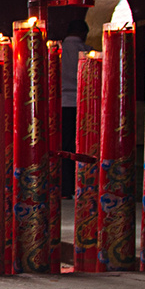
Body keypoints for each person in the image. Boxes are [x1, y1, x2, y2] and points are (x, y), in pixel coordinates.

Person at [58, 18, 89, 195]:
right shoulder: (86, 52)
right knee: (79, 147)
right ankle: (81, 186)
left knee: (62, 146)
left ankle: (64, 187)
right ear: (83, 34)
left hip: (60, 104)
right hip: (81, 104)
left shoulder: (57, 51)